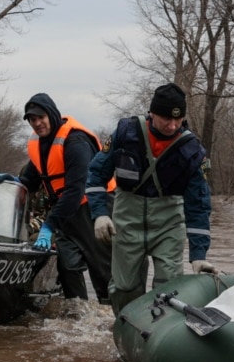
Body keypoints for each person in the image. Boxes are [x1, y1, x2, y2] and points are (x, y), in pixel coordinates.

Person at [88, 82, 213, 315]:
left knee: (169, 285)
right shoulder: (126, 133)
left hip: (169, 222)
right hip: (127, 217)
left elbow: (199, 205)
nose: (172, 125)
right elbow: (96, 174)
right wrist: (100, 215)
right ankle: (127, 327)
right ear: (152, 112)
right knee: (124, 287)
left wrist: (199, 255)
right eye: (166, 118)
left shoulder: (192, 150)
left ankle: (159, 330)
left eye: (178, 119)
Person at [0, 93, 113, 303]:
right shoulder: (40, 144)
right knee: (67, 266)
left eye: (40, 117)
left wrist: (48, 226)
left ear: (51, 114)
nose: (37, 123)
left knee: (102, 271)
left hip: (94, 209)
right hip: (65, 212)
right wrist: (14, 182)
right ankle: (78, 317)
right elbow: (31, 180)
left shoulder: (76, 142)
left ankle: (110, 318)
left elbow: (76, 190)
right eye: (32, 120)